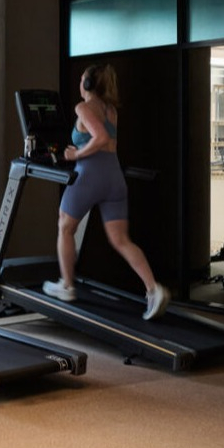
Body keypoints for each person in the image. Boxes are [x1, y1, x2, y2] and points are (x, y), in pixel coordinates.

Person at [41, 64, 172, 320]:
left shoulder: (84, 108)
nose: (80, 83)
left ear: (88, 84)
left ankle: (66, 285)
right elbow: (106, 139)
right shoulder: (111, 110)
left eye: (82, 79)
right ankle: (153, 289)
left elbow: (99, 138)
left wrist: (75, 154)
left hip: (90, 176)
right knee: (121, 240)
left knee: (65, 227)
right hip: (114, 176)